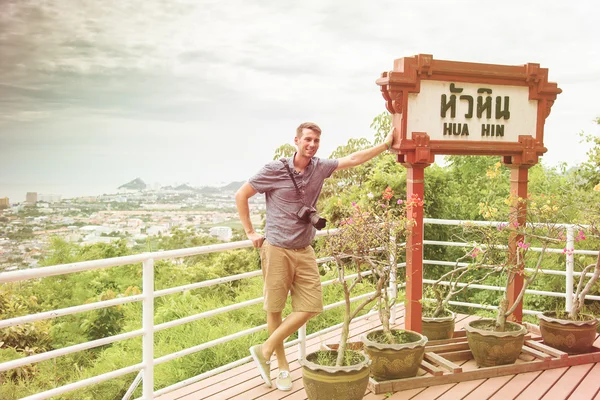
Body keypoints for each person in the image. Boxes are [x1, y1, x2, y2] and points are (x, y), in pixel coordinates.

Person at [235, 122, 394, 391]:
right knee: (275, 307)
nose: (312, 144)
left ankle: (265, 349)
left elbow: (354, 159)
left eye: (316, 140)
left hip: (304, 249)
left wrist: (387, 144)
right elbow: (242, 195)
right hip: (276, 248)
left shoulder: (319, 167)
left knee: (311, 306)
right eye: (307, 139)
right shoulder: (274, 169)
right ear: (296, 141)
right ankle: (282, 365)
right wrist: (250, 232)